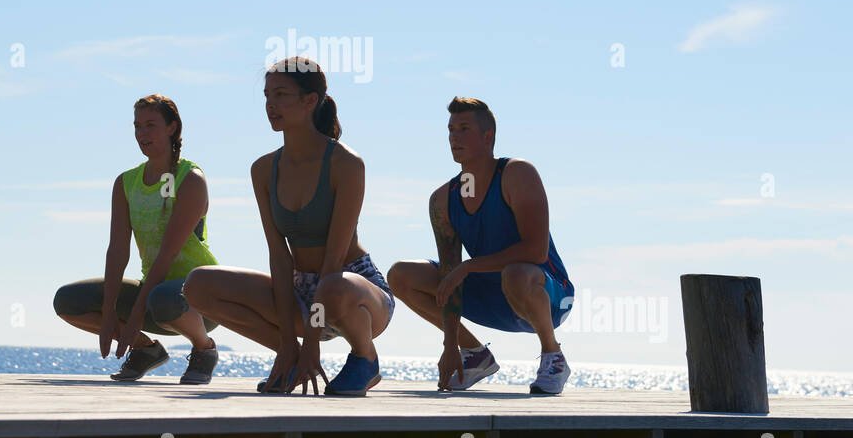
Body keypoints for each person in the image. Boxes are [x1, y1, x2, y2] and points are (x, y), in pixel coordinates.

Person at [183, 57, 394, 396]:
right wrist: (289, 345)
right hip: (300, 291)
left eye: (281, 94)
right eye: (267, 95)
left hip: (355, 292)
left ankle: (365, 359)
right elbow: (280, 258)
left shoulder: (345, 164)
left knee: (335, 287)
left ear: (310, 100)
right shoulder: (264, 169)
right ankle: (292, 359)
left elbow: (332, 262)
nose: (271, 105)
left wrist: (313, 343)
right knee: (198, 285)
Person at [387, 97, 574, 395]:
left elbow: (536, 251)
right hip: (490, 296)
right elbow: (450, 277)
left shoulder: (517, 174)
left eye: (464, 128)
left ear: (488, 137)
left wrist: (469, 266)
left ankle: (553, 356)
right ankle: (474, 354)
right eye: (450, 130)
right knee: (400, 274)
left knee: (516, 273)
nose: (454, 137)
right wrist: (450, 345)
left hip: (547, 295)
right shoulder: (442, 200)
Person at [52, 94, 221, 384]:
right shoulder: (126, 182)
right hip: (153, 294)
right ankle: (146, 350)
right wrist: (108, 314)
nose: (142, 134)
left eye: (151, 125)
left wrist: (135, 314)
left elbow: (167, 254)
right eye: (137, 126)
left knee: (162, 297)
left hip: (200, 298)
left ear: (172, 128)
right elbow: (117, 250)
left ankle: (204, 349)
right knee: (68, 300)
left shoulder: (190, 178)